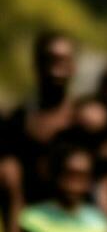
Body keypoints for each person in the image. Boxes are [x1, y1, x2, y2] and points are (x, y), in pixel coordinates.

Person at [3, 33, 77, 204]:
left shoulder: (83, 118)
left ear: (73, 67)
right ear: (37, 65)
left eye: (63, 61)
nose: (56, 69)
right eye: (50, 60)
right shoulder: (18, 118)